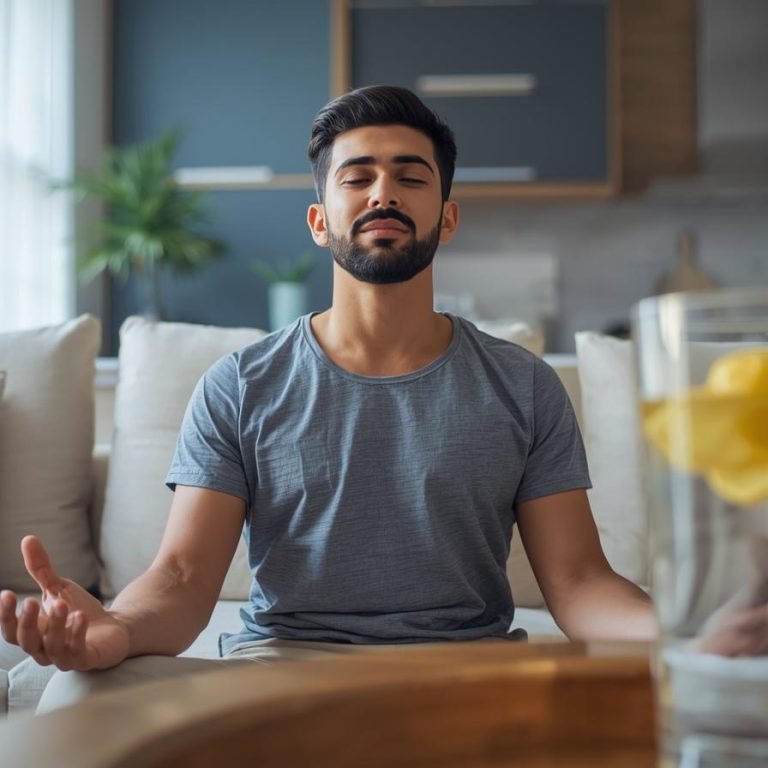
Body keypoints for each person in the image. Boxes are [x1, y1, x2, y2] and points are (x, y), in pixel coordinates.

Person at [0, 85, 656, 711]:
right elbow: (180, 578)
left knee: (656, 693)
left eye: (410, 176)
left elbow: (579, 584)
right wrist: (115, 628)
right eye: (357, 177)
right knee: (77, 693)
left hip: (466, 670)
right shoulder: (239, 386)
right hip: (281, 671)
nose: (383, 193)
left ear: (447, 217)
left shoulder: (523, 384)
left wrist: (680, 636)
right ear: (319, 221)